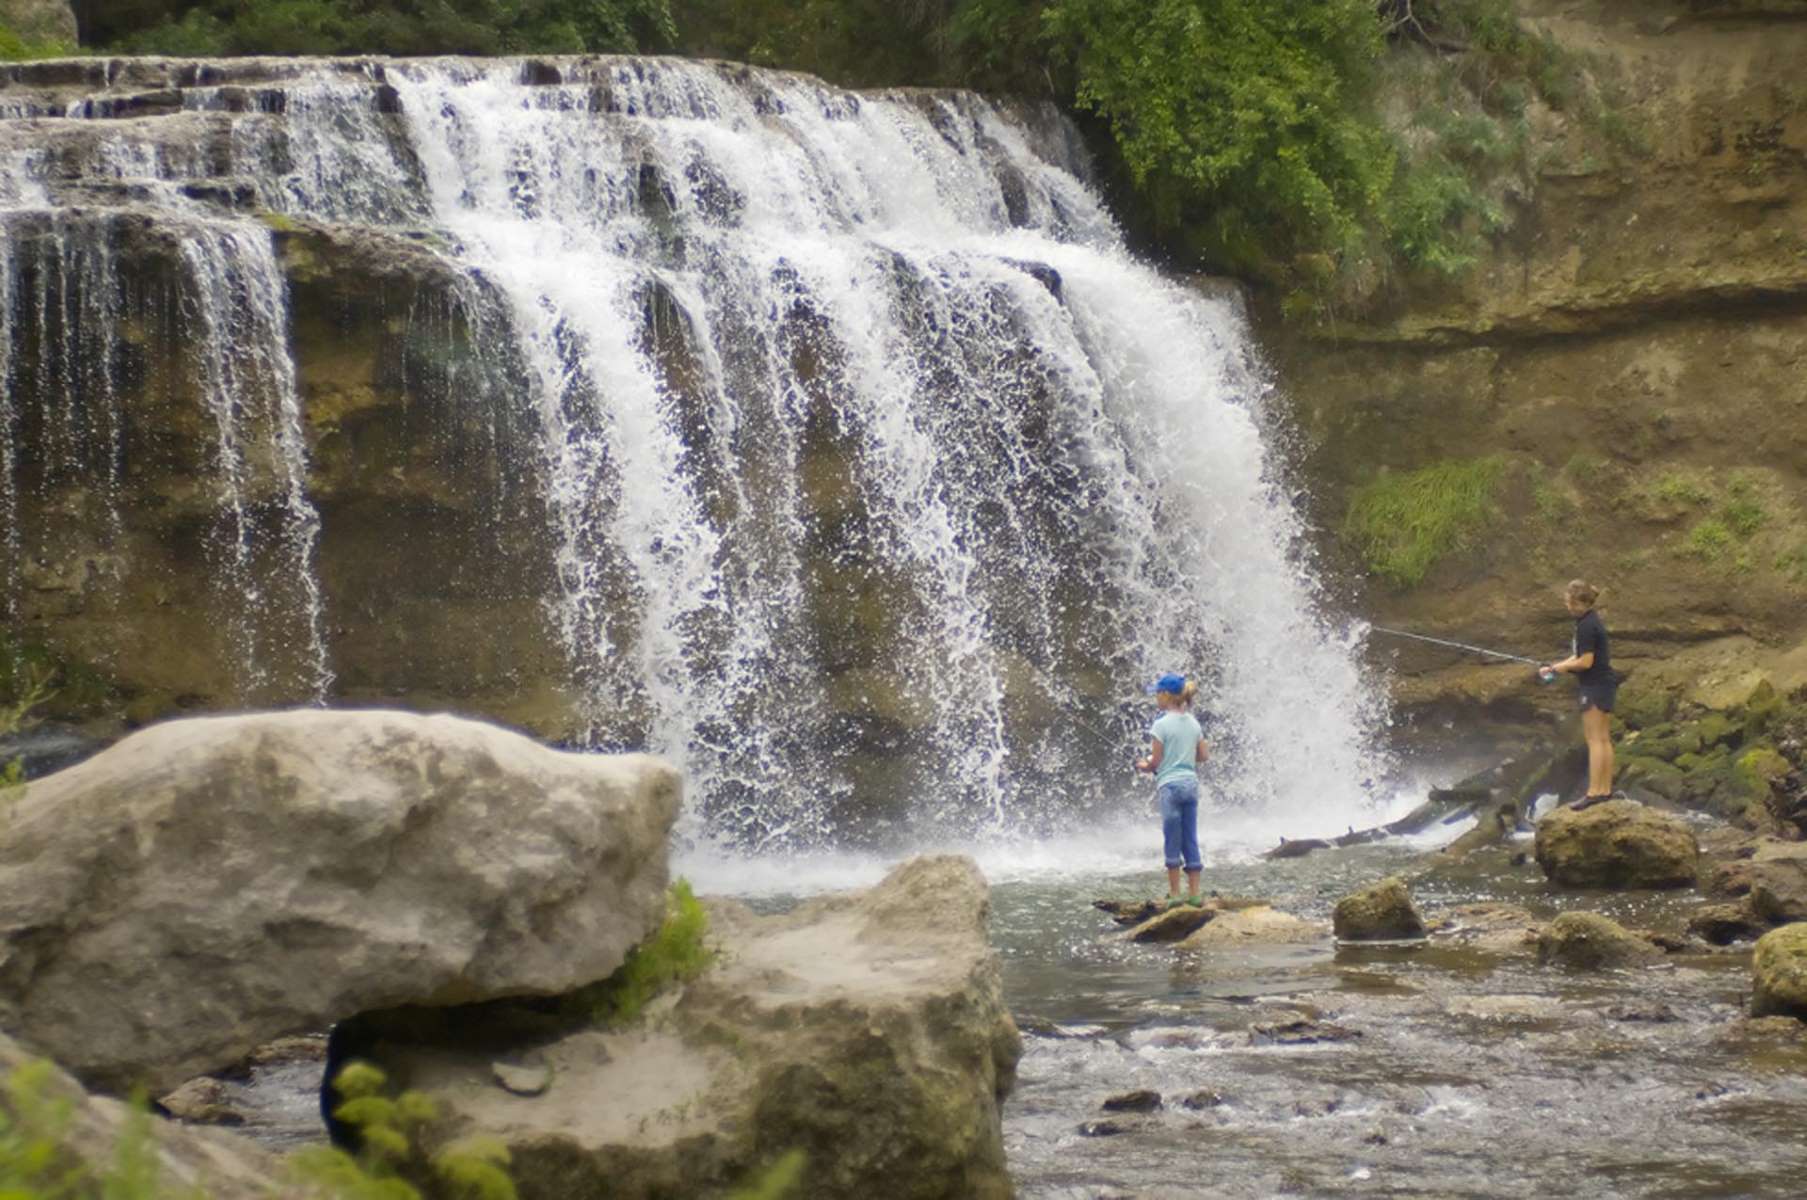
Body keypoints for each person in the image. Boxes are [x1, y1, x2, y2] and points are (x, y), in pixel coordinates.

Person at [1538, 579, 1618, 808]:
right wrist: (1555, 667)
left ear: (1575, 602)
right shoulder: (1591, 621)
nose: (1565, 604)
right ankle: (1604, 791)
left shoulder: (1585, 625)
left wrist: (1557, 669)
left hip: (1594, 686)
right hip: (1604, 683)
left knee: (1594, 740)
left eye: (1567, 600)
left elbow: (1585, 661)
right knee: (1603, 739)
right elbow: (1578, 657)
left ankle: (1594, 793)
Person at [1135, 673, 1210, 908]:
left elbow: (1155, 762)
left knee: (1172, 838)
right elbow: (1203, 756)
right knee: (1190, 838)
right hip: (1190, 785)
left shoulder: (1160, 725)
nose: (1155, 698)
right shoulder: (1194, 723)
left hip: (1169, 786)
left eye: (1157, 694)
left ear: (1165, 696)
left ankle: (1176, 895)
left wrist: (1143, 765)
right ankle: (1195, 894)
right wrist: (1184, 758)